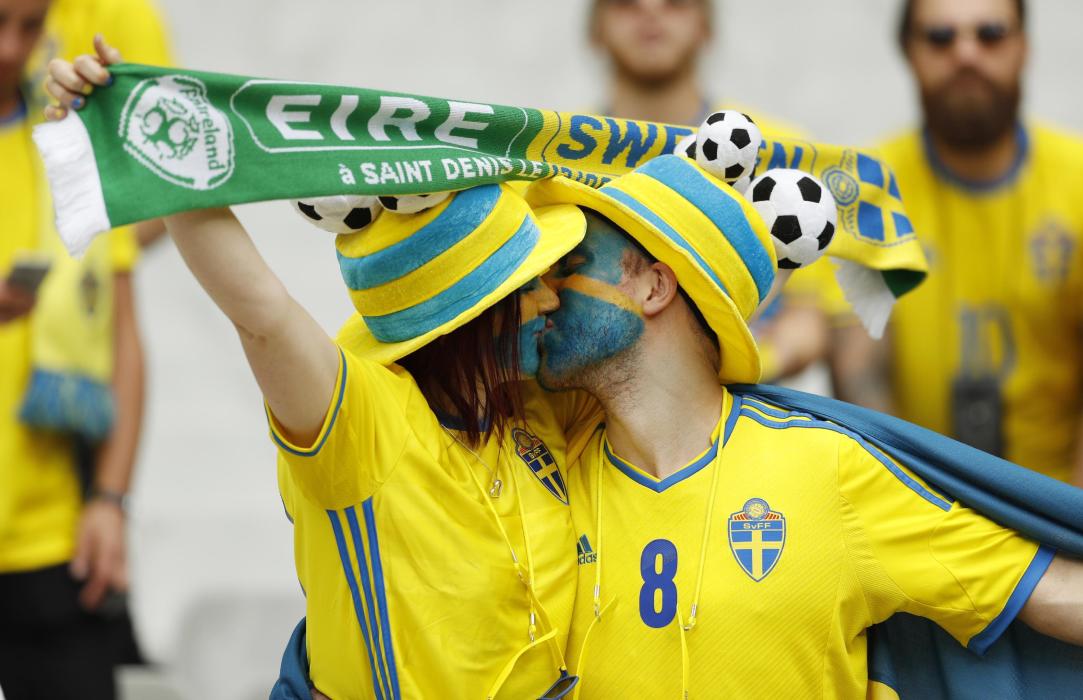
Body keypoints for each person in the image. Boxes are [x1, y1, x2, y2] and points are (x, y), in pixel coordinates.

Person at [46, 37, 604, 698]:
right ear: (469, 316)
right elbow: (258, 309)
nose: (550, 298)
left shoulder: (537, 408)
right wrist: (145, 132)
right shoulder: (365, 423)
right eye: (526, 284)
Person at [521, 153, 1083, 697]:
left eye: (568, 268)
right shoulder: (543, 470)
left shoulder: (830, 470)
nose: (542, 297)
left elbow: (1053, 594)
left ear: (654, 287)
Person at [832, 0, 1083, 486]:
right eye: (940, 38)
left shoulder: (1077, 181)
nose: (966, 55)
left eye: (989, 34)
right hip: (920, 499)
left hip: (1061, 502)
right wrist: (910, 504)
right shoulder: (867, 188)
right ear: (908, 51)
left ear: (1024, 47)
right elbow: (858, 370)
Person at [0, 0, 170, 697]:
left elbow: (123, 334)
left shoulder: (66, 151)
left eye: (31, 25)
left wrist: (110, 498)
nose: (10, 48)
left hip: (52, 533)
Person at [588, 0, 830, 383]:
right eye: (625, 3)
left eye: (676, 3)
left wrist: (733, 367)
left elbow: (808, 317)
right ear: (595, 28)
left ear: (706, 25)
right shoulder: (562, 158)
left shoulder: (782, 149)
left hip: (747, 413)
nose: (651, 11)